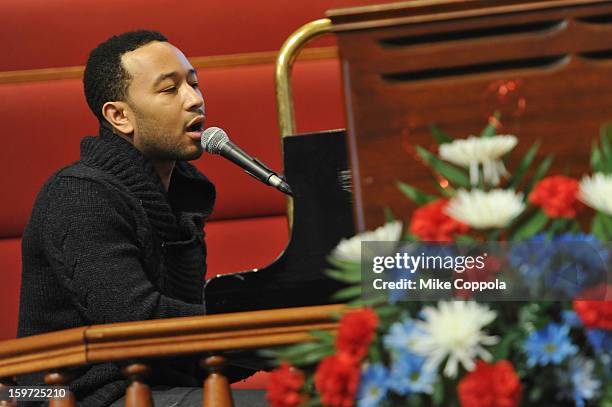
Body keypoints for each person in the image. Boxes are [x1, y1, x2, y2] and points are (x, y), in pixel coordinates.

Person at [17, 30, 266, 406]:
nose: (195, 100)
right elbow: (138, 324)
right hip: (69, 395)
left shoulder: (182, 194)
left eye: (194, 84)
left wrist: (293, 339)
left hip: (154, 386)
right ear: (119, 116)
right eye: (170, 90)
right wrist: (265, 324)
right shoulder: (77, 194)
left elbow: (185, 348)